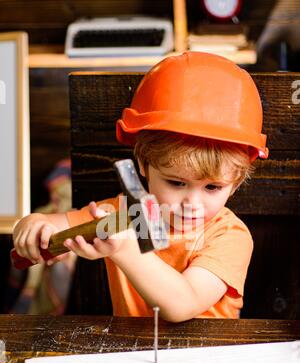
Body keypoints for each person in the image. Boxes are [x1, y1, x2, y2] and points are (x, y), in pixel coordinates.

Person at [13, 52, 268, 322]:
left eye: (213, 187)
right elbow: (52, 226)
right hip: (133, 356)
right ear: (144, 165)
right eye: (176, 182)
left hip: (209, 358)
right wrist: (33, 226)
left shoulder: (230, 237)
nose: (192, 203)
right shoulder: (124, 215)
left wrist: (126, 250)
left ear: (235, 183)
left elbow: (183, 304)